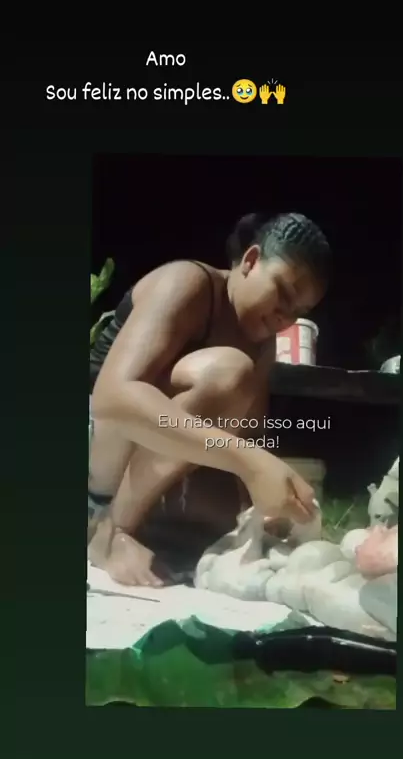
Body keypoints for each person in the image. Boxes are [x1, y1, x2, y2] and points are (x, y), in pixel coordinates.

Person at [88, 211, 331, 585]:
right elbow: (113, 397)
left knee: (222, 515)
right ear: (251, 261)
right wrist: (250, 463)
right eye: (283, 293)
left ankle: (139, 529)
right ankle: (108, 530)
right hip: (99, 445)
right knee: (227, 371)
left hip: (143, 452)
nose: (285, 317)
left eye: (298, 312)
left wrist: (263, 507)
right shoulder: (187, 283)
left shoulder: (262, 342)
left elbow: (247, 433)